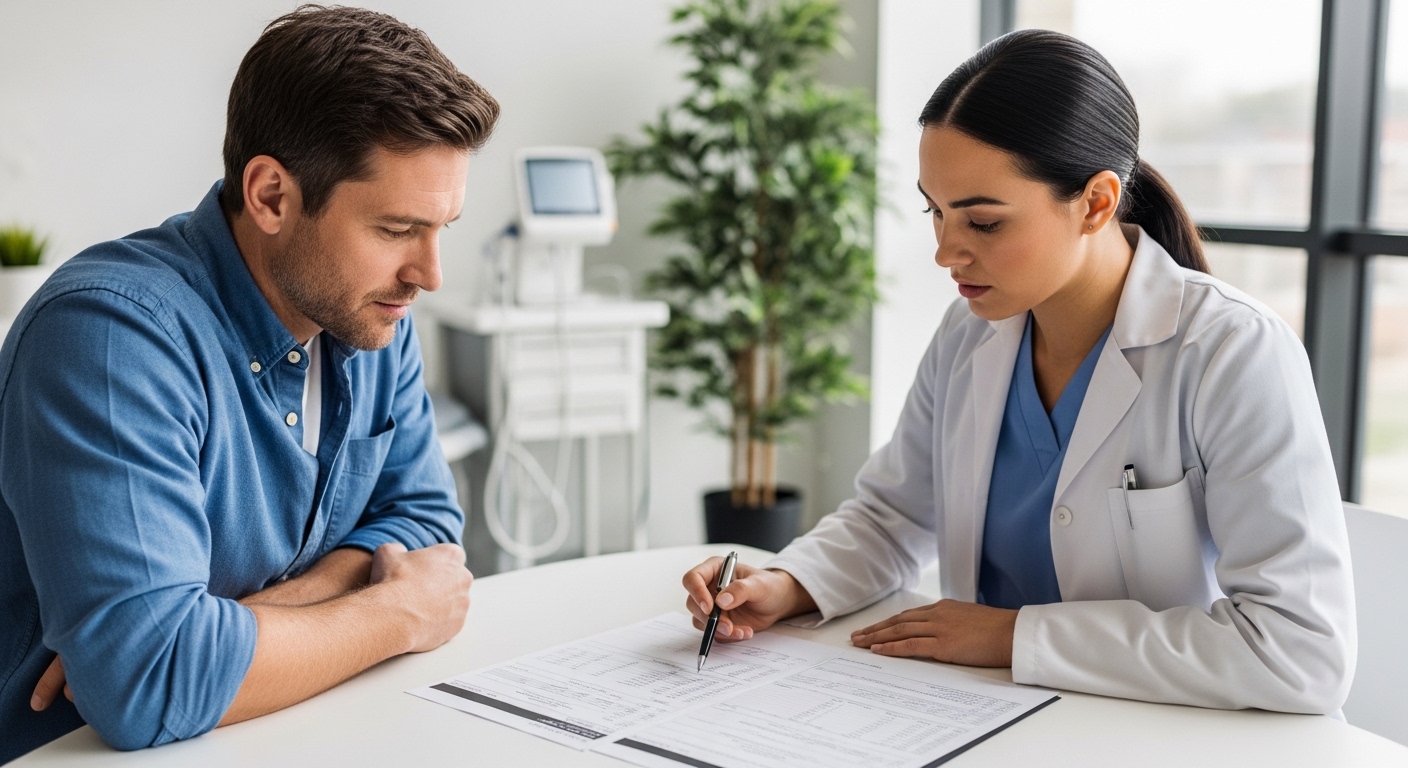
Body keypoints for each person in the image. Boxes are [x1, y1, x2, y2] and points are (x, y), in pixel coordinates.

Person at [682, 29, 1356, 714]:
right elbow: (894, 516)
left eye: (984, 222)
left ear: (1096, 202)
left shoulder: (1231, 352)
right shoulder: (971, 333)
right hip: (974, 711)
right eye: (935, 212)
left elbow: (1300, 650)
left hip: (1153, 726)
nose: (947, 252)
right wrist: (788, 583)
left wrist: (1015, 636)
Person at [0, 6, 499, 760]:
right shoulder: (109, 339)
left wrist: (223, 630)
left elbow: (426, 527)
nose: (429, 275)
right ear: (271, 195)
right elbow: (147, 683)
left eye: (442, 229)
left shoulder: (370, 314)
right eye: (396, 230)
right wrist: (399, 611)